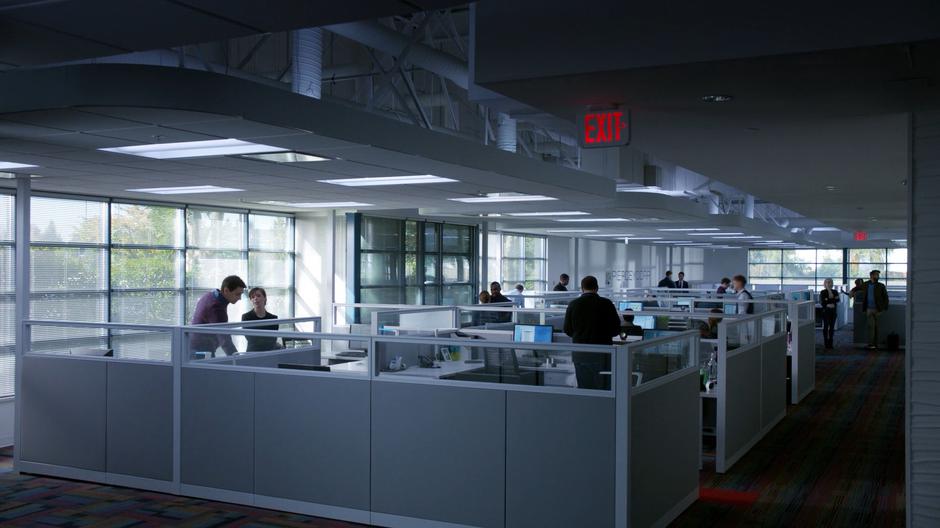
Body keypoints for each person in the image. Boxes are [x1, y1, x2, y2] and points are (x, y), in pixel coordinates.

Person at [563, 275, 621, 389]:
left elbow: (567, 330)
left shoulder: (573, 304)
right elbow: (616, 330)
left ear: (582, 288)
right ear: (597, 288)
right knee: (604, 388)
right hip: (603, 354)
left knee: (585, 389)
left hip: (580, 354)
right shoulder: (607, 304)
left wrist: (579, 336)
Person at [190, 275, 246, 357]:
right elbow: (224, 340)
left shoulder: (211, 296)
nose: (240, 298)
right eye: (237, 294)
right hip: (201, 351)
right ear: (226, 290)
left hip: (195, 348)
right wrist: (237, 360)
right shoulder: (216, 307)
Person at [241, 287, 280, 352]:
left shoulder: (273, 318)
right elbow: (251, 339)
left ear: (265, 298)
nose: (255, 298)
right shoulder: (246, 317)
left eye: (258, 296)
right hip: (252, 353)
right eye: (253, 297)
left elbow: (272, 339)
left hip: (269, 352)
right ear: (251, 300)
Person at [861, 270, 889, 350]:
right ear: (871, 276)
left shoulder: (881, 285)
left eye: (878, 275)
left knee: (876, 328)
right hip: (869, 309)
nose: (878, 276)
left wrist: (884, 309)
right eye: (876, 275)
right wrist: (852, 291)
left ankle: (875, 345)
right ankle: (871, 345)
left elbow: (886, 298)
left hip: (877, 310)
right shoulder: (866, 284)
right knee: (871, 327)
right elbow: (858, 287)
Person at [819, 278, 839, 350]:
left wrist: (828, 299)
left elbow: (837, 300)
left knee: (832, 328)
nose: (829, 283)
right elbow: (822, 302)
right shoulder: (823, 292)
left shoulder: (835, 291)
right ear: (825, 284)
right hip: (826, 312)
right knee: (826, 327)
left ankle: (831, 343)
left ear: (832, 283)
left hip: (833, 312)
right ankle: (826, 343)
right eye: (827, 282)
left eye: (830, 282)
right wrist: (830, 300)